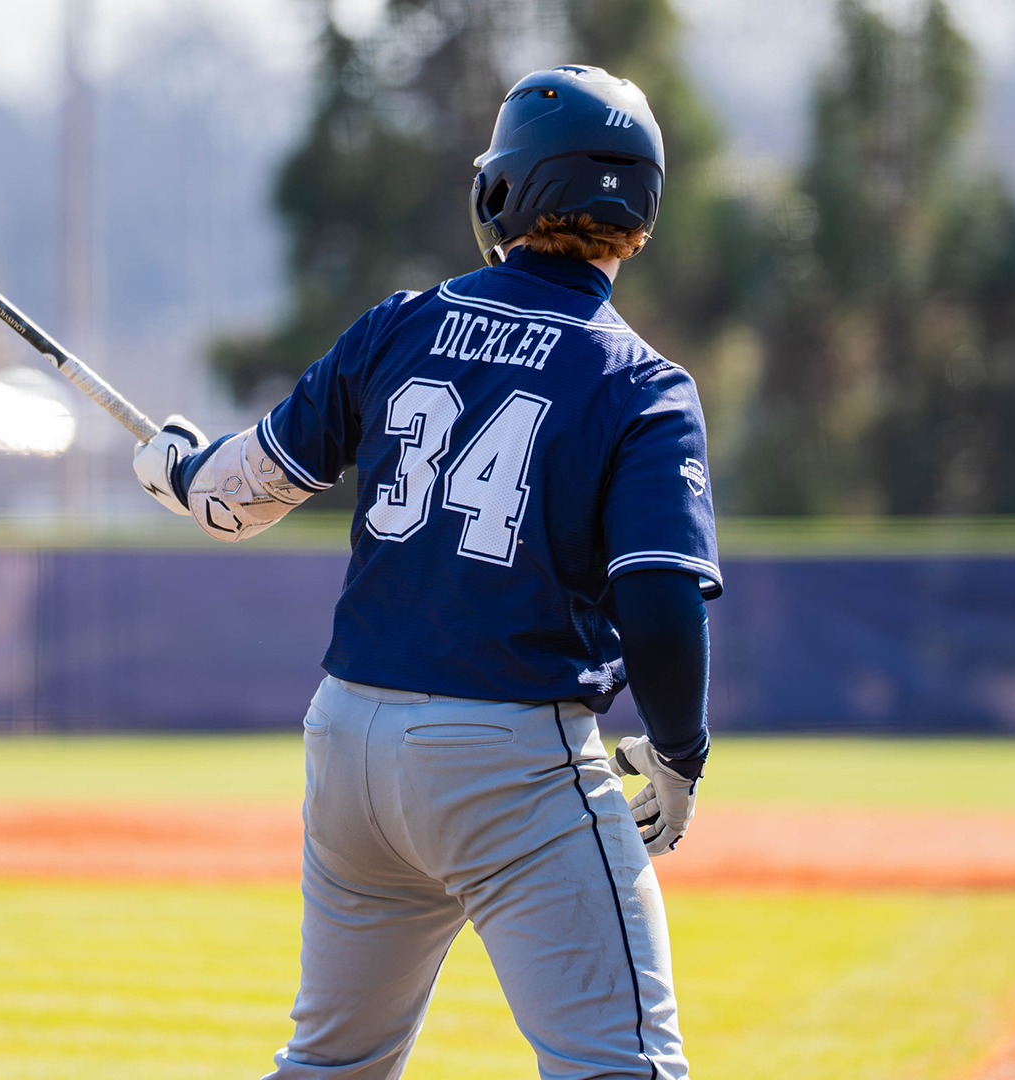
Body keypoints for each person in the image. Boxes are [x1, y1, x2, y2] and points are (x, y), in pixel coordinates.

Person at [133, 65, 716, 1079]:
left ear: (507, 188)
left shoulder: (401, 324)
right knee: (624, 1065)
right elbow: (659, 605)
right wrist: (677, 754)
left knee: (331, 1064)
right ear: (644, 207)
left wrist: (177, 470)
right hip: (509, 757)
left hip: (349, 743)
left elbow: (236, 498)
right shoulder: (643, 384)